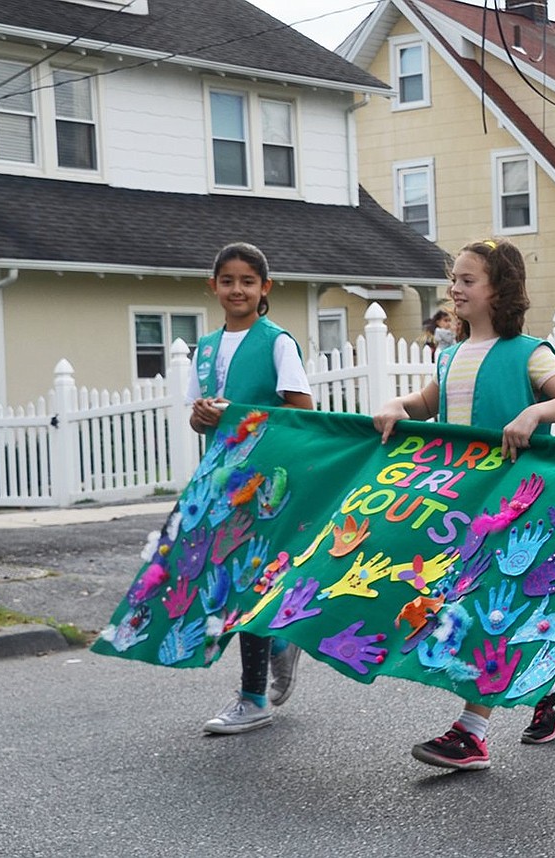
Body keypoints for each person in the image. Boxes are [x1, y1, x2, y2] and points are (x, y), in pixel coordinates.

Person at [373, 238, 555, 771]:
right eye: (454, 280)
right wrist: (395, 405)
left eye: (468, 280)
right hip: (466, 503)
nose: (456, 288)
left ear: (500, 290)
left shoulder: (529, 352)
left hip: (517, 505)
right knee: (479, 606)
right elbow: (426, 405)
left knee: (486, 607)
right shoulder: (450, 355)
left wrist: (535, 414)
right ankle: (551, 688)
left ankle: (471, 733)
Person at [187, 242, 314, 735]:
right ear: (212, 286)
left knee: (247, 582)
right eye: (227, 280)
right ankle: (279, 641)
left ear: (265, 288)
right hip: (220, 481)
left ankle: (252, 696)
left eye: (246, 281)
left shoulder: (276, 342)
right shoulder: (205, 348)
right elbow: (207, 420)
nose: (236, 289)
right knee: (223, 582)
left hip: (267, 483)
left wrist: (239, 416)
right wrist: (202, 419)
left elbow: (302, 413)